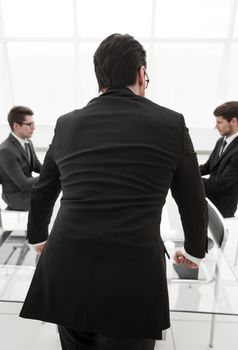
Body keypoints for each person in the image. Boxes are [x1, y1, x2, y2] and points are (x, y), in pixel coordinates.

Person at [20, 34, 208, 350]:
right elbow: (192, 198)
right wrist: (194, 250)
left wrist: (38, 237)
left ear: (100, 79)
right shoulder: (171, 123)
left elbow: (43, 190)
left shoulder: (67, 123)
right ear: (140, 73)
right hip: (133, 276)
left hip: (66, 266)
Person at [200, 101, 238, 218]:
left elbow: (222, 183)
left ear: (234, 121)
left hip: (223, 211)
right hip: (210, 202)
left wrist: (192, 179)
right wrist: (184, 170)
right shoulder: (221, 141)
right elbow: (207, 167)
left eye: (219, 122)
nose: (216, 126)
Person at [0, 106, 42, 211]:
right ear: (16, 126)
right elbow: (22, 184)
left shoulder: (28, 142)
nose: (34, 127)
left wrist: (57, 168)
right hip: (18, 198)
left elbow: (37, 166)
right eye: (30, 124)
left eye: (34, 124)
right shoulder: (6, 150)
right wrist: (49, 175)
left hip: (28, 193)